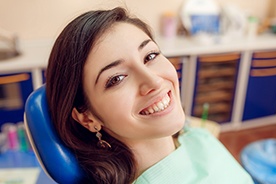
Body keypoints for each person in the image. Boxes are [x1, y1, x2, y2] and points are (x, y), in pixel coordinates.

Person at [46, 7, 253, 184]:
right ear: (87, 118)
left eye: (150, 56)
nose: (154, 81)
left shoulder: (195, 136)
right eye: (117, 78)